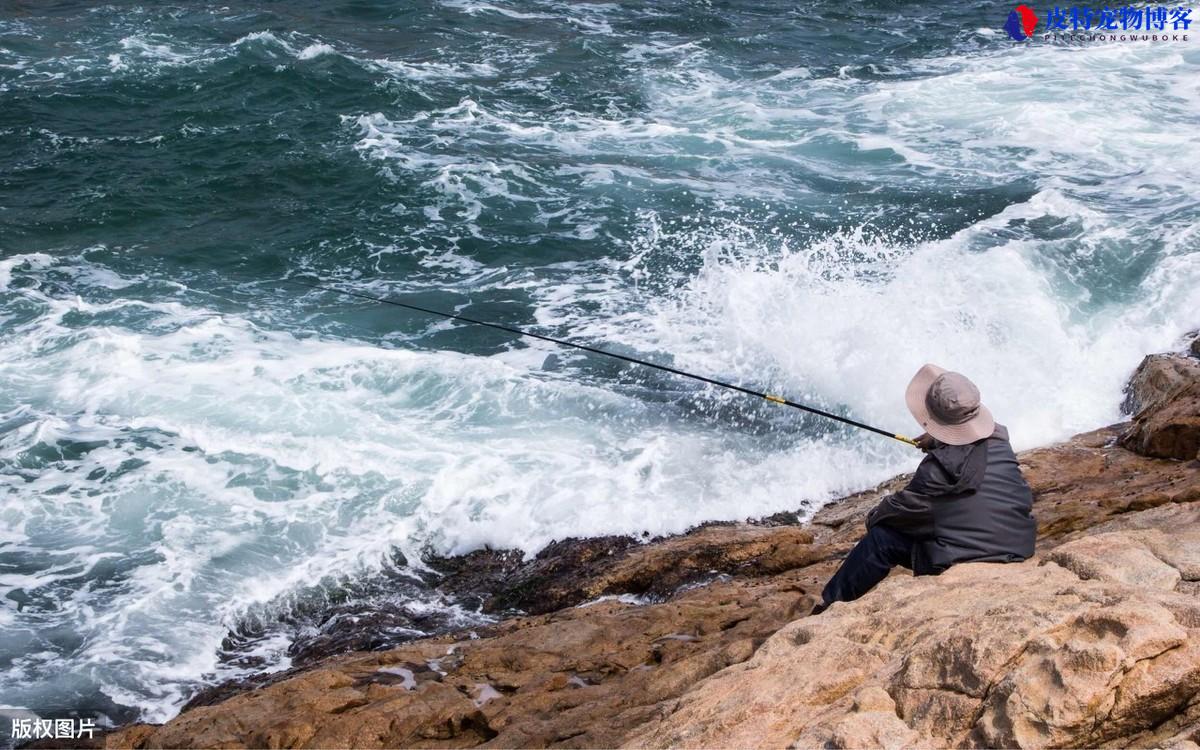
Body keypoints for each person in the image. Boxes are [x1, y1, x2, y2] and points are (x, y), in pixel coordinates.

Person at [814, 363, 1036, 612]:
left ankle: (828, 608)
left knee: (881, 540)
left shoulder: (935, 474)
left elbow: (893, 516)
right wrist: (940, 441)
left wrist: (875, 515)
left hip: (974, 558)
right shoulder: (1000, 442)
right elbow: (970, 452)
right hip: (1019, 545)